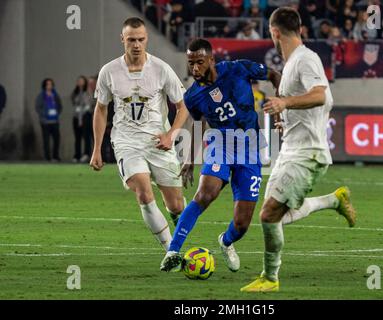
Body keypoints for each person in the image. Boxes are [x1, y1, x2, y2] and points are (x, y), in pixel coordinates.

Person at [240, 7, 356, 293]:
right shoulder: (291, 63)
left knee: (268, 215)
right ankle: (333, 201)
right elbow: (304, 102)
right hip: (292, 148)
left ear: (274, 32)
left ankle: (270, 278)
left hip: (308, 152)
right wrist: (285, 119)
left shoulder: (306, 59)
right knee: (276, 215)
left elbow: (321, 96)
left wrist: (284, 104)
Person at [159, 38, 282, 272]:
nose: (194, 68)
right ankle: (173, 251)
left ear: (212, 60)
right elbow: (199, 125)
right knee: (206, 194)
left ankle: (226, 242)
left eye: (200, 62)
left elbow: (275, 75)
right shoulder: (193, 96)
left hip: (251, 147)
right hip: (221, 144)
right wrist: (190, 160)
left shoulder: (237, 68)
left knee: (242, 223)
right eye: (190, 63)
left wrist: (280, 110)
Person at [90, 17, 190, 251]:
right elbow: (101, 109)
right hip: (126, 142)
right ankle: (171, 251)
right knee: (144, 194)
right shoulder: (109, 71)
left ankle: (177, 223)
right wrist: (96, 149)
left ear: (147, 40)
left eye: (141, 39)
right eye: (131, 39)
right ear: (122, 39)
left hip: (158, 142)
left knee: (176, 205)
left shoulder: (161, 69)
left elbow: (182, 106)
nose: (136, 44)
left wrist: (171, 134)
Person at [35, 78, 63, 162]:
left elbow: (59, 105)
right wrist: (43, 116)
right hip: (45, 122)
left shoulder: (55, 95)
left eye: (51, 84)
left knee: (57, 139)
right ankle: (47, 157)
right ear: (44, 85)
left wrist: (57, 113)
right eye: (47, 84)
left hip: (55, 121)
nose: (49, 86)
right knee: (46, 140)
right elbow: (38, 107)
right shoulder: (41, 95)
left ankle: (55, 156)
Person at [71, 76, 91, 163]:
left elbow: (88, 104)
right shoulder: (75, 92)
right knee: (77, 137)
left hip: (85, 116)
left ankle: (86, 154)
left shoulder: (87, 92)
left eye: (81, 81)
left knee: (86, 136)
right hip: (76, 116)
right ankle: (77, 155)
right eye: (78, 81)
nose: (80, 82)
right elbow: (74, 102)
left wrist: (83, 110)